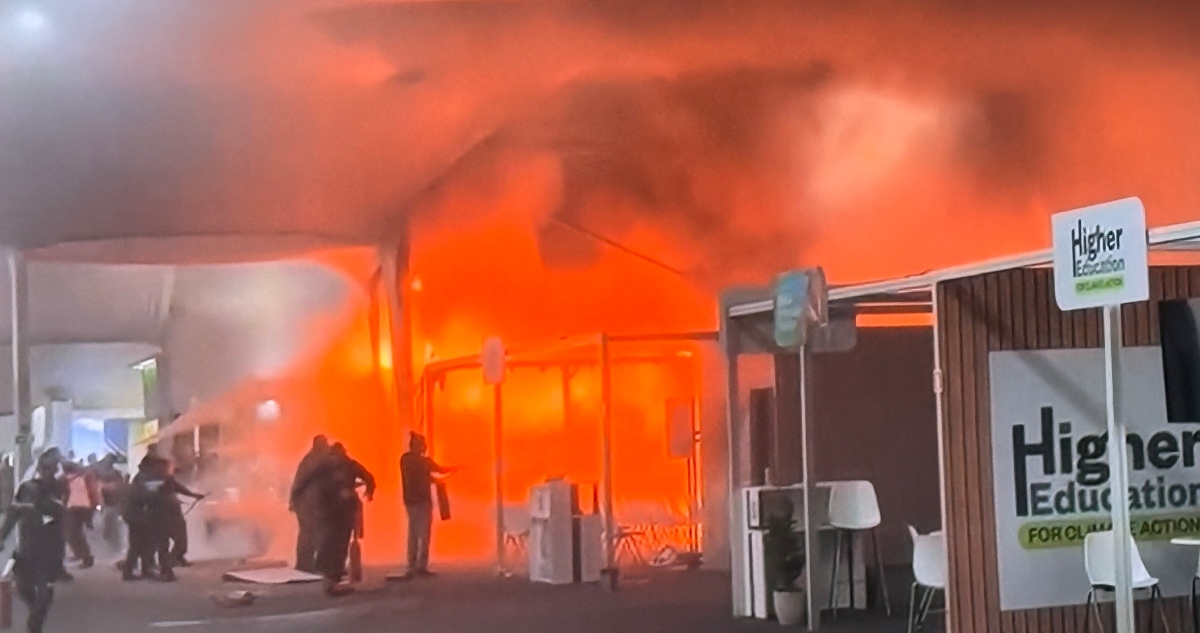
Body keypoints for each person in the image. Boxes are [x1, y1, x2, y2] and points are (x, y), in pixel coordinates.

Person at [0, 448, 67, 633]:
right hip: (27, 547)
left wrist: (40, 508)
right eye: (46, 467)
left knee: (45, 589)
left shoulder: (57, 489)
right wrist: (2, 536)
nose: (49, 471)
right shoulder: (26, 489)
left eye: (52, 467)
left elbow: (57, 515)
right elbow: (14, 514)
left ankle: (36, 622)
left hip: (49, 548)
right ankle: (35, 611)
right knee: (22, 587)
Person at [312, 443, 375, 596]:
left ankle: (331, 579)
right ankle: (332, 579)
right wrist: (368, 491)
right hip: (337, 512)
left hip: (337, 513)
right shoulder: (342, 466)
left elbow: (313, 485)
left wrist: (368, 491)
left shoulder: (328, 467)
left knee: (335, 544)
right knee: (335, 545)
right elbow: (369, 478)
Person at [399, 433, 452, 579]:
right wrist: (451, 470)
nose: (425, 447)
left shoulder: (405, 460)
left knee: (413, 533)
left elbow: (427, 476)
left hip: (410, 501)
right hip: (421, 501)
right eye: (422, 444)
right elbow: (438, 469)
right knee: (423, 534)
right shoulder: (420, 461)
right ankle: (420, 566)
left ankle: (412, 565)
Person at [289, 435, 330, 573]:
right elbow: (302, 481)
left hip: (308, 503)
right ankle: (304, 564)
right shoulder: (313, 461)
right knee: (309, 533)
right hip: (308, 504)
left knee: (311, 533)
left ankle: (307, 563)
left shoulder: (313, 460)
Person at [61, 462, 99, 568]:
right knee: (77, 534)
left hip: (73, 508)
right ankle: (82, 555)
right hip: (83, 508)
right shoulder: (82, 477)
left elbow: (65, 495)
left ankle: (86, 558)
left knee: (73, 534)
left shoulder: (66, 480)